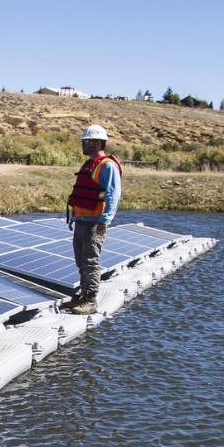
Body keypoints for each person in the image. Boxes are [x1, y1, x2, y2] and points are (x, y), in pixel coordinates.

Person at [66, 124, 122, 314]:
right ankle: (83, 295)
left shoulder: (107, 165)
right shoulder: (89, 164)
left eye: (87, 142)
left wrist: (105, 221)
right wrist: (74, 216)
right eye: (83, 141)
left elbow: (113, 195)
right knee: (81, 260)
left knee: (91, 260)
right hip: (82, 220)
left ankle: (91, 300)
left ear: (98, 143)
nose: (83, 145)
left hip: (95, 222)